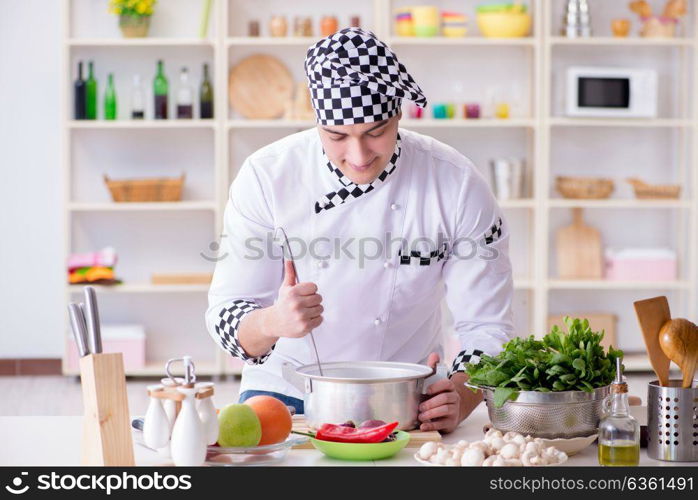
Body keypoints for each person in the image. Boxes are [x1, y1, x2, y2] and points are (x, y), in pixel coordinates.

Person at [206, 28, 514, 433]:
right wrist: (273, 322)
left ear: (399, 115)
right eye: (337, 136)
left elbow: (488, 325)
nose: (358, 156)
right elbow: (227, 316)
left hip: (407, 395)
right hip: (284, 393)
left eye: (375, 132)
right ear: (316, 123)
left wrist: (463, 393)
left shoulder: (454, 183)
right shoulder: (267, 176)